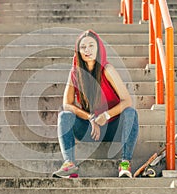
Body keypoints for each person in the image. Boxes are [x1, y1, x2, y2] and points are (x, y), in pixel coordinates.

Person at [52, 30, 139, 178]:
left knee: (131, 113)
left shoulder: (107, 70)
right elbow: (67, 104)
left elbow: (127, 100)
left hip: (113, 129)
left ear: (98, 48)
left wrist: (106, 115)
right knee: (64, 115)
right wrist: (90, 118)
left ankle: (125, 164)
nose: (87, 50)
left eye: (91, 45)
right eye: (83, 47)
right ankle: (69, 164)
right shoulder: (75, 72)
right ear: (78, 51)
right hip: (90, 130)